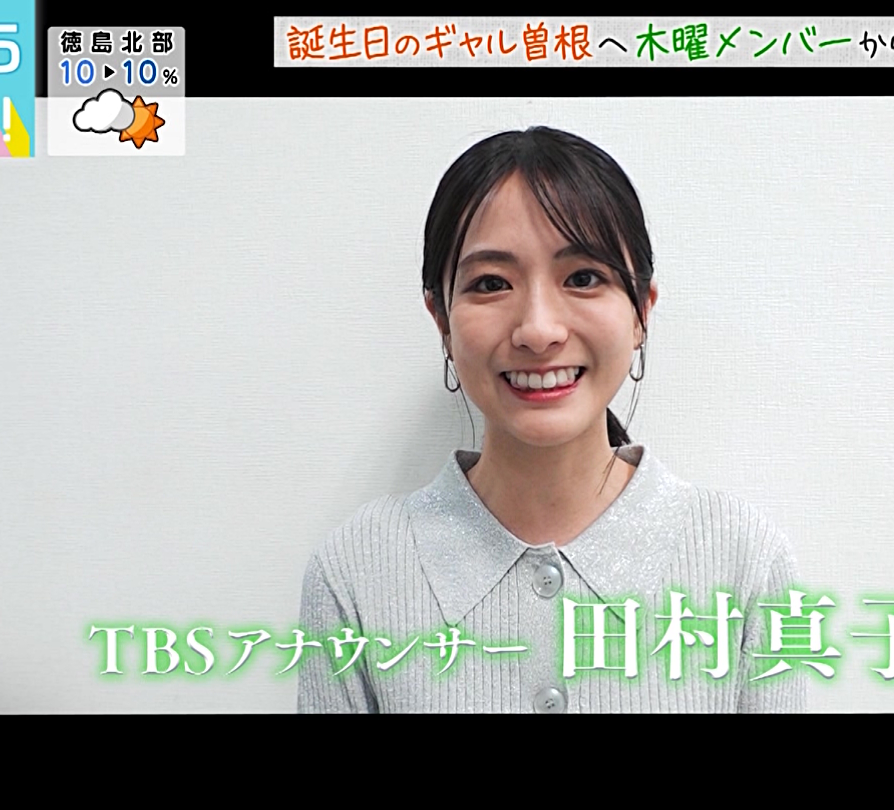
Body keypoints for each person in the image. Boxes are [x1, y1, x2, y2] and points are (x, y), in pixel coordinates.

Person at [297, 126, 806, 713]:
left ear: (641, 312)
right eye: (491, 283)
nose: (538, 330)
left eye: (583, 278)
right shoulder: (356, 571)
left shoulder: (743, 561)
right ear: (441, 319)